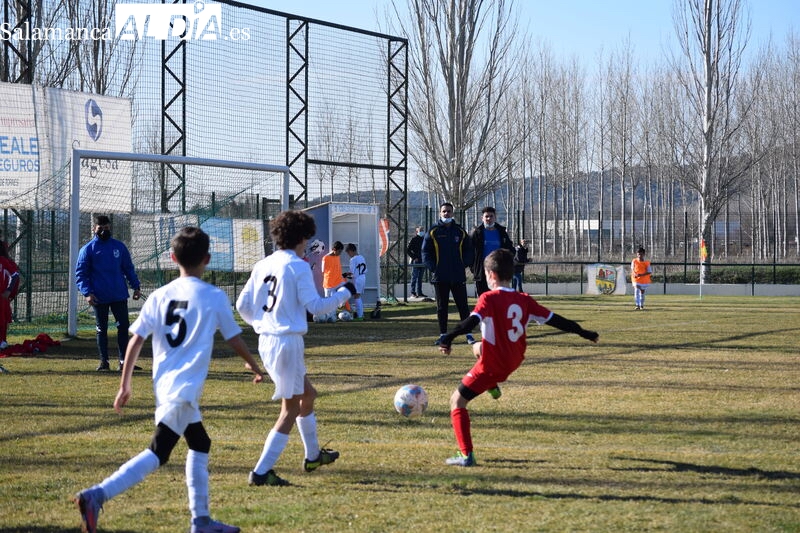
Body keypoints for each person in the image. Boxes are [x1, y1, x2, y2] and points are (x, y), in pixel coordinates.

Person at [74, 226, 266, 533]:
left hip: (165, 386)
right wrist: (254, 366)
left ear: (172, 258)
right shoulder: (214, 296)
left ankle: (201, 520)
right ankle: (97, 495)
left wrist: (125, 384)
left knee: (200, 443)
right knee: (158, 452)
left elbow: (136, 339)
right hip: (184, 390)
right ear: (207, 259)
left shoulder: (160, 295)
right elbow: (234, 338)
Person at [438, 248, 599, 467]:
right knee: (478, 347)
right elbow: (557, 320)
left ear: (491, 275)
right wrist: (583, 332)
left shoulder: (488, 298)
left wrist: (448, 337)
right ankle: (491, 385)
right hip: (513, 360)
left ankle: (466, 455)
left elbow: (470, 323)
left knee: (457, 400)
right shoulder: (524, 299)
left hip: (493, 366)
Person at [236, 210, 357, 487]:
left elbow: (242, 306)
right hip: (285, 342)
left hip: (270, 340)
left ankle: (313, 456)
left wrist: (262, 325)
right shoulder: (298, 266)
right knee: (290, 409)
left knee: (308, 395)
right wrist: (345, 292)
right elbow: (316, 307)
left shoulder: (263, 264)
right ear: (302, 237)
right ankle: (261, 472)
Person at [75, 215, 142, 371]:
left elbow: (128, 268)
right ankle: (104, 362)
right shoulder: (88, 249)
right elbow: (81, 274)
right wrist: (87, 293)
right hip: (99, 297)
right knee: (102, 329)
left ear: (110, 227)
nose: (104, 231)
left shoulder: (119, 247)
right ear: (94, 229)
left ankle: (124, 362)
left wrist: (136, 287)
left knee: (123, 327)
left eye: (106, 228)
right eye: (100, 228)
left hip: (119, 294)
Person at [422, 202, 475, 345]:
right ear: (440, 213)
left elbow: (469, 250)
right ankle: (443, 335)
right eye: (444, 211)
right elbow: (425, 252)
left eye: (449, 211)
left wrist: (463, 264)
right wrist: (434, 268)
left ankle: (469, 334)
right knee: (442, 307)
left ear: (453, 213)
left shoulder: (460, 231)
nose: (446, 214)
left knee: (463, 306)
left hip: (458, 275)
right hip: (440, 277)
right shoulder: (433, 231)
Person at [470, 206, 514, 296]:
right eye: (486, 216)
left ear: (495, 217)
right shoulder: (477, 233)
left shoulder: (502, 232)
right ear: (482, 218)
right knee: (483, 298)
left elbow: (510, 250)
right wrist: (474, 268)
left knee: (499, 298)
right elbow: (470, 251)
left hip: (499, 271)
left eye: (491, 216)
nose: (489, 218)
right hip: (482, 272)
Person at [0, 241, 20, 350]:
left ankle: (2, 340)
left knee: (2, 319)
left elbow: (15, 275)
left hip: (1, 296)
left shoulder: (3, 261)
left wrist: (8, 291)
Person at [344, 243, 367, 320]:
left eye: (348, 253)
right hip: (363, 277)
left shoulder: (353, 259)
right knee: (358, 296)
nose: (348, 255)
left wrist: (343, 275)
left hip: (357, 279)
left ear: (351, 251)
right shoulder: (361, 257)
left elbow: (351, 274)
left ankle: (360, 316)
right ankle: (361, 314)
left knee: (356, 297)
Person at [406, 226, 427, 298]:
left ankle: (419, 292)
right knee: (414, 276)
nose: (422, 232)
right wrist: (414, 257)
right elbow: (408, 250)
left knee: (420, 277)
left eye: (422, 230)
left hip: (423, 260)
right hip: (416, 261)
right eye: (420, 230)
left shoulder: (425, 239)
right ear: (417, 231)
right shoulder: (414, 239)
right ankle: (413, 293)